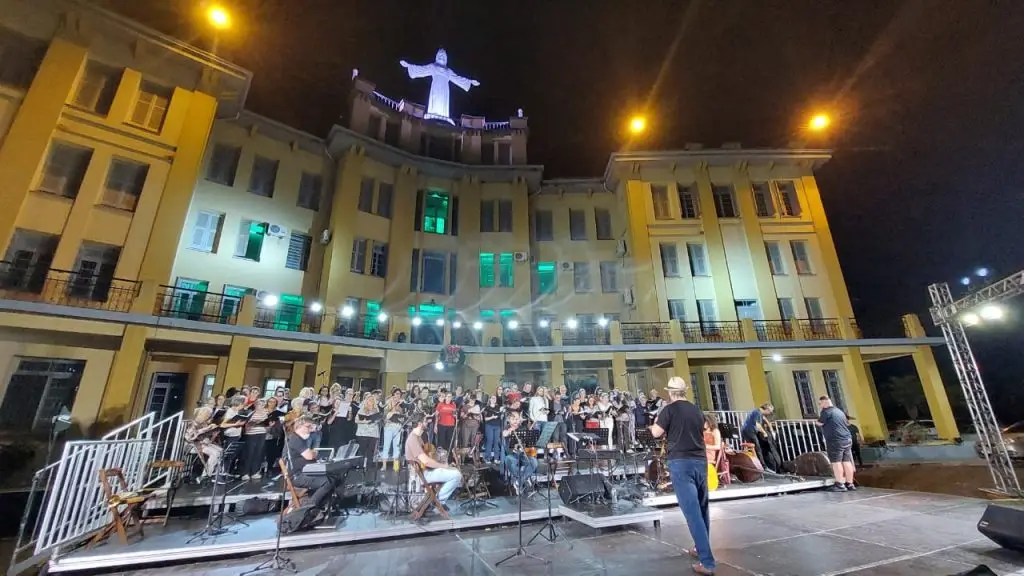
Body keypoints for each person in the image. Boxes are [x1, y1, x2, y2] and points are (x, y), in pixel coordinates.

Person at [649, 376, 715, 575]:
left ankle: (708, 562)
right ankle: (699, 547)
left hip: (681, 462)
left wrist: (654, 423)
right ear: (685, 391)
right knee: (702, 508)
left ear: (670, 392)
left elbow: (656, 434)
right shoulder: (696, 410)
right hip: (700, 461)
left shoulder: (668, 410)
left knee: (692, 512)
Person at [405, 413, 462, 510]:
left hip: (425, 471)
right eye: (425, 421)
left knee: (453, 470)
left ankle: (437, 499)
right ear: (419, 424)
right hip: (423, 475)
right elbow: (425, 461)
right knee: (457, 475)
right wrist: (443, 466)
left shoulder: (418, 437)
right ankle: (439, 500)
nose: (427, 423)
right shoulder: (413, 439)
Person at [285, 416, 335, 509]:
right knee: (327, 482)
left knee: (333, 478)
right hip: (296, 476)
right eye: (308, 427)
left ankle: (324, 505)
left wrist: (313, 453)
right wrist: (313, 453)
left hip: (302, 472)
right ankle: (310, 506)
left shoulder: (299, 439)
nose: (310, 430)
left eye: (311, 427)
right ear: (299, 426)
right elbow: (309, 456)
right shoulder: (295, 439)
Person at [817, 396, 856, 491]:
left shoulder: (826, 412)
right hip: (847, 438)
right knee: (846, 461)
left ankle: (839, 484)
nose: (820, 406)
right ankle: (850, 483)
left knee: (836, 462)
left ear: (825, 402)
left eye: (820, 403)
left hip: (835, 440)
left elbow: (819, 423)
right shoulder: (839, 411)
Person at [502, 411, 538, 492]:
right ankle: (524, 478)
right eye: (513, 419)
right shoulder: (506, 428)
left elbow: (529, 440)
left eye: (517, 419)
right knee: (509, 459)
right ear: (509, 420)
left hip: (523, 454)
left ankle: (519, 481)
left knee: (534, 462)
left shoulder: (522, 428)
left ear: (519, 420)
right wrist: (509, 431)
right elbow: (504, 434)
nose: (515, 421)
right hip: (513, 455)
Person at [482, 395, 502, 463]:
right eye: (492, 398)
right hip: (489, 426)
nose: (494, 399)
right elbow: (485, 419)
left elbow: (501, 416)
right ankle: (487, 458)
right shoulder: (487, 408)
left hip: (497, 426)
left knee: (496, 442)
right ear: (490, 399)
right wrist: (492, 417)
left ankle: (496, 458)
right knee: (490, 441)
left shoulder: (498, 407)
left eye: (495, 398)